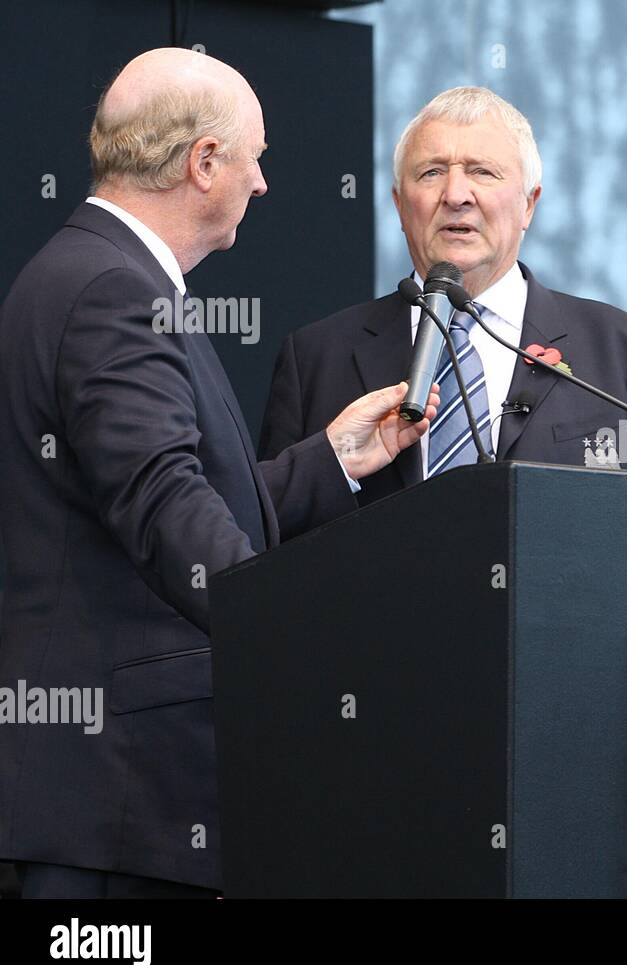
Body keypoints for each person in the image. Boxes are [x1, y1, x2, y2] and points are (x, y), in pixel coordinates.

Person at [0, 48, 438, 898]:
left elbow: (162, 499)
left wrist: (335, 460)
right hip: (111, 804)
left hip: (103, 802)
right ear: (204, 162)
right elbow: (166, 510)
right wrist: (316, 653)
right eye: (255, 155)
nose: (264, 182)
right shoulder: (112, 291)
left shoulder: (88, 272)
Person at [259, 86, 627, 498]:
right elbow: (268, 532)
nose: (455, 195)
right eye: (431, 173)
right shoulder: (315, 358)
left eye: (481, 171)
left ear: (529, 204)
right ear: (399, 205)